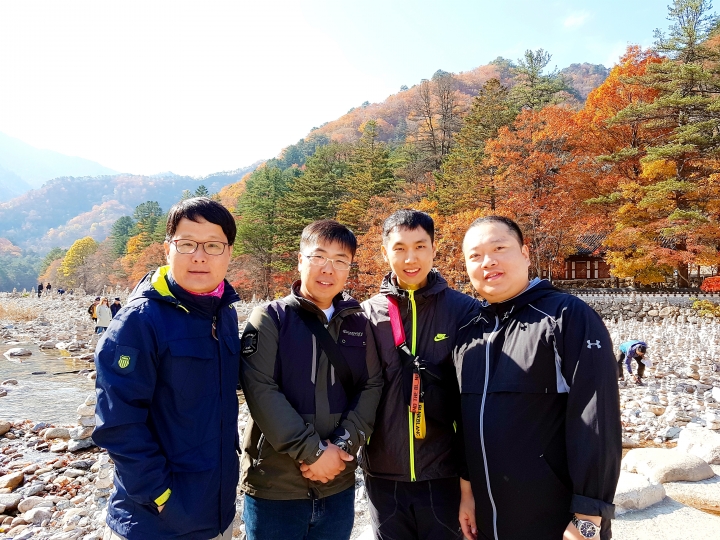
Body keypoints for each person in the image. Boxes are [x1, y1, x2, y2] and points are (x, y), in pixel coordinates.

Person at [455, 216, 621, 540]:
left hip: (556, 523)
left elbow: (597, 418)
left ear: (525, 253)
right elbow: (465, 424)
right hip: (488, 521)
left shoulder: (566, 316)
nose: (488, 262)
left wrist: (589, 516)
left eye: (499, 248)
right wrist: (467, 492)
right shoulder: (469, 333)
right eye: (475, 256)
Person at [93, 197, 241, 540]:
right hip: (155, 522)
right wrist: (160, 497)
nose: (199, 256)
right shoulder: (139, 321)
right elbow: (117, 423)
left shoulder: (224, 312)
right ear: (167, 249)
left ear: (229, 252)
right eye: (187, 244)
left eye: (213, 245)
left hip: (217, 512)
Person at [239, 220, 383, 540]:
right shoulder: (270, 318)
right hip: (275, 488)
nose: (328, 269)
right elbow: (261, 390)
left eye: (340, 261)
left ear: (349, 268)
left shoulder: (359, 323)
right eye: (318, 256)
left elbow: (371, 385)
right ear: (300, 260)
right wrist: (313, 452)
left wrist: (342, 447)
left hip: (337, 486)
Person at [359, 210, 479, 540]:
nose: (410, 258)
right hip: (383, 475)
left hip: (444, 472)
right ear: (384, 252)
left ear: (434, 249)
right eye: (399, 248)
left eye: (420, 246)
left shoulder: (464, 311)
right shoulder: (366, 316)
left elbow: (473, 400)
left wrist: (469, 484)